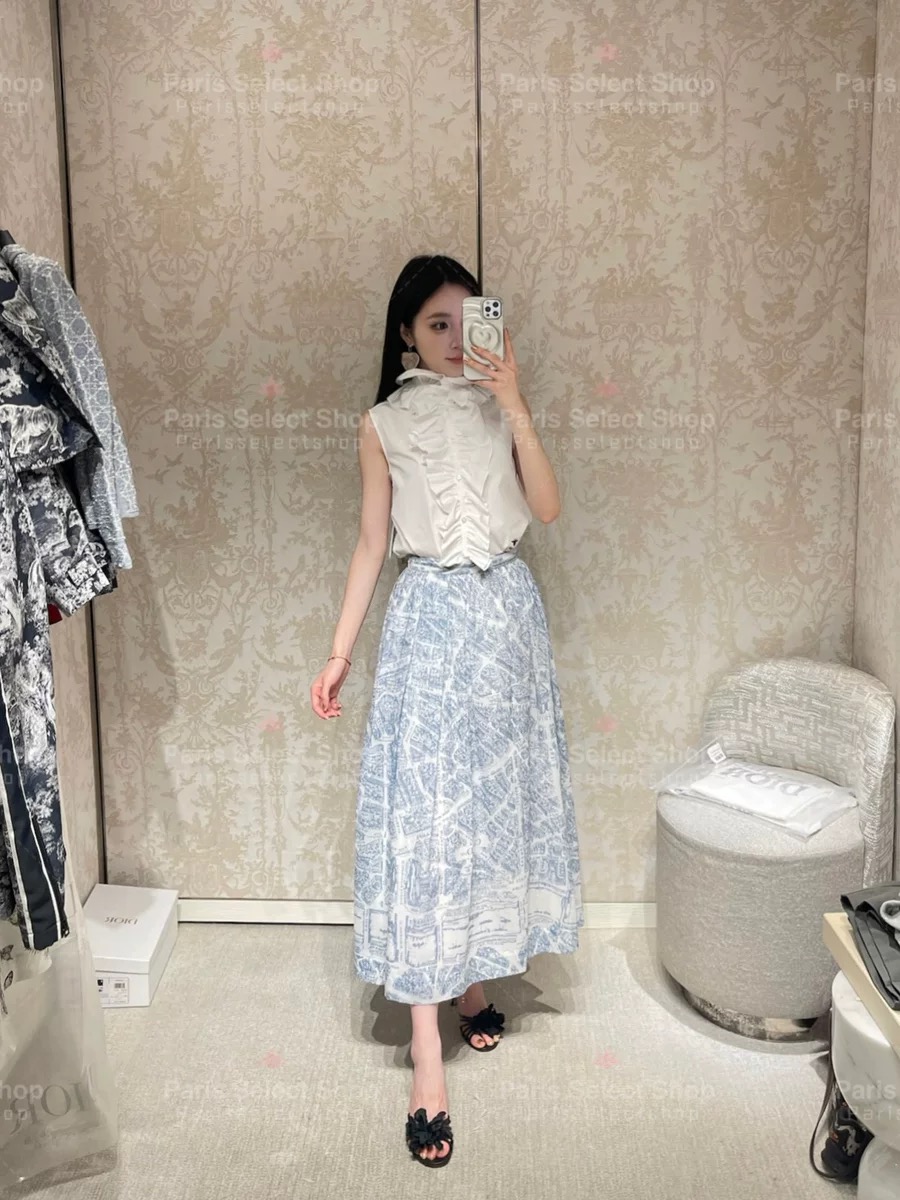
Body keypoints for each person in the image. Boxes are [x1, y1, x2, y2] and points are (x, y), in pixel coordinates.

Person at [309, 254, 584, 1167]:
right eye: (437, 324)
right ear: (405, 333)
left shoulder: (501, 409)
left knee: (490, 818)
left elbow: (546, 509)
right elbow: (371, 543)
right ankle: (427, 1050)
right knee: (430, 827)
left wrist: (516, 404)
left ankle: (471, 986)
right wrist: (340, 650)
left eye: (469, 322)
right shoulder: (383, 423)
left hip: (507, 622)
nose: (456, 340)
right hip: (428, 624)